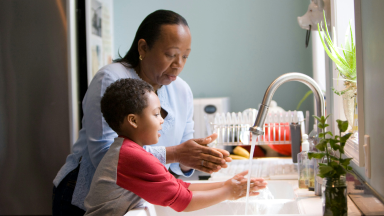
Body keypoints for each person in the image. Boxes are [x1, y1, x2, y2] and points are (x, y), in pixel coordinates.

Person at [52, 9, 231, 215]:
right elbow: (106, 156)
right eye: (171, 55)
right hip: (82, 198)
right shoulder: (111, 78)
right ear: (143, 48)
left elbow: (175, 166)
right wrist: (175, 153)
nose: (178, 64)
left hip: (131, 202)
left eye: (185, 56)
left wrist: (194, 157)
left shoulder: (182, 91)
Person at [84, 78, 267, 215]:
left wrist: (226, 184)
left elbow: (179, 186)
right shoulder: (130, 156)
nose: (162, 120)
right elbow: (183, 201)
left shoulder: (129, 151)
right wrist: (228, 192)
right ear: (133, 121)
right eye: (156, 114)